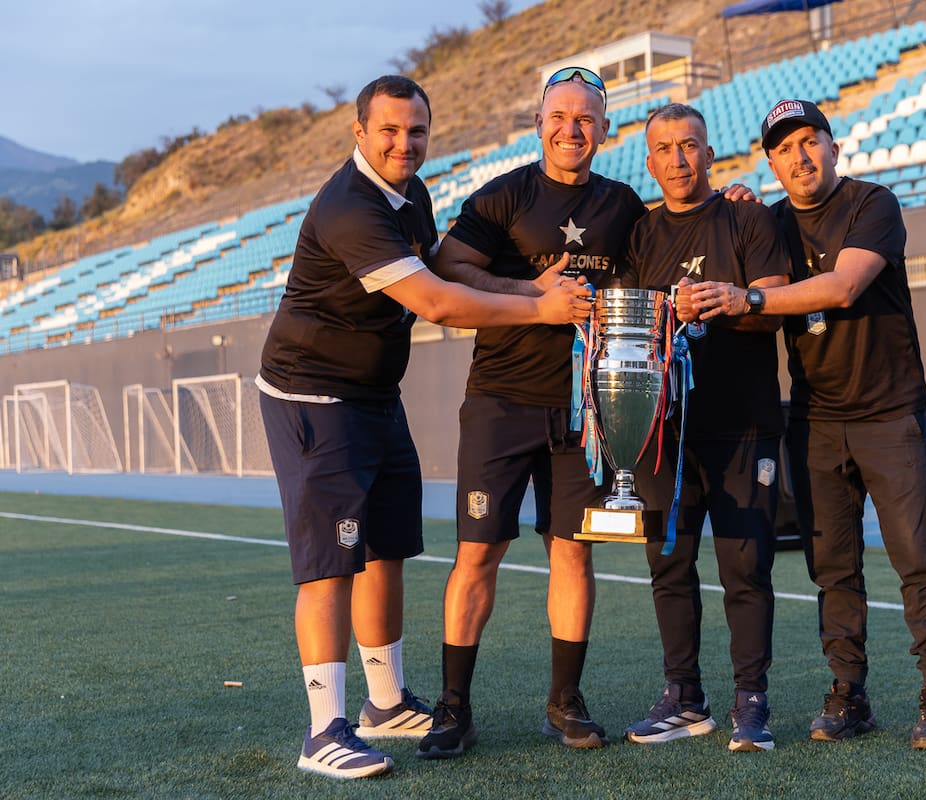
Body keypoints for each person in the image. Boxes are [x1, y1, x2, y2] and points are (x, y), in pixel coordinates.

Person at [256, 75, 592, 779]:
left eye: (416, 133)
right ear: (359, 132)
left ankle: (384, 704)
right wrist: (540, 310)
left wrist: (527, 287)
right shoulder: (351, 206)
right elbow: (437, 301)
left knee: (385, 550)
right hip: (316, 398)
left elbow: (442, 266)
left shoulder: (412, 196)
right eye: (388, 131)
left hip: (376, 395)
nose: (403, 144)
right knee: (330, 564)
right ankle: (323, 730)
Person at [688, 98, 926, 749]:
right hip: (814, 418)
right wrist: (734, 212)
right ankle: (848, 693)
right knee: (831, 568)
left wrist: (749, 295)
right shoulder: (771, 222)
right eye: (784, 148)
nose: (800, 156)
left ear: (834, 146)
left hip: (890, 414)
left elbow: (842, 287)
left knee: (917, 560)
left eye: (810, 140)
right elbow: (722, 257)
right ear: (772, 163)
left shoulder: (874, 204)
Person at [415, 67, 648, 759]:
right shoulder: (503, 196)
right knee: (477, 553)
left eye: (586, 118)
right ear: (538, 123)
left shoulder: (625, 205)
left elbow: (667, 257)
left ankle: (564, 701)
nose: (571, 128)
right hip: (501, 402)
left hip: (586, 410)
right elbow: (449, 266)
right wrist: (526, 288)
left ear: (605, 129)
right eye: (560, 115)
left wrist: (730, 202)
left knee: (573, 553)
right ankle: (454, 709)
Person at [615, 103, 790, 753]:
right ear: (651, 161)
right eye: (665, 148)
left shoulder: (747, 214)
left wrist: (724, 299)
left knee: (745, 568)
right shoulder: (640, 234)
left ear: (710, 154)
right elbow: (631, 329)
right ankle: (684, 696)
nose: (679, 159)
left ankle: (753, 702)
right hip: (666, 431)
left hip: (743, 424)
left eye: (690, 146)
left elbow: (772, 305)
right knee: (669, 564)